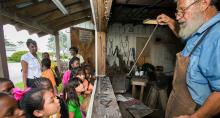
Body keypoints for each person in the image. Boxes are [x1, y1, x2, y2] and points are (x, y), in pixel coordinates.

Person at [156, 0, 220, 118]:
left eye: (182, 10)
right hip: (178, 104)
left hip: (196, 111)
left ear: (204, 4)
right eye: (177, 12)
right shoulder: (200, 29)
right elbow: (184, 35)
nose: (179, 17)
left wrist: (195, 117)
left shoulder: (216, 37)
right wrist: (170, 21)